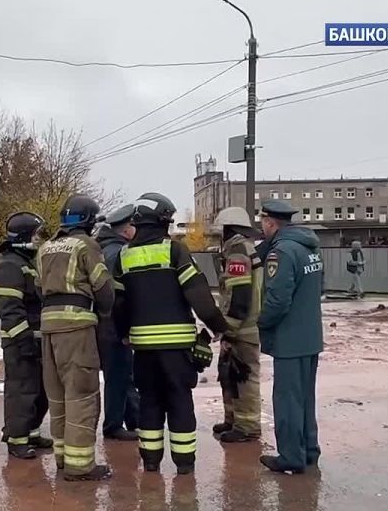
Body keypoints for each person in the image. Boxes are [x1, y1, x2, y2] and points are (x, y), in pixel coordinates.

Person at [113, 193, 229, 475]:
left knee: (150, 402)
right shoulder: (174, 251)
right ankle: (184, 466)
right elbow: (198, 295)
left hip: (142, 350)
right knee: (179, 403)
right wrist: (218, 327)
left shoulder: (123, 256)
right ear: (164, 221)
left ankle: (151, 463)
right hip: (177, 349)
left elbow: (118, 304)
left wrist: (123, 334)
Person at [37, 194, 115, 481]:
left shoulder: (44, 248)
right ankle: (80, 466)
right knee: (81, 395)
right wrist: (105, 313)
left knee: (57, 395)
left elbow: (37, 287)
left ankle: (62, 459)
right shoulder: (87, 246)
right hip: (77, 328)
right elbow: (103, 288)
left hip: (48, 328)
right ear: (90, 221)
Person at [256, 199, 324, 475]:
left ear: (271, 223)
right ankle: (309, 451)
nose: (261, 227)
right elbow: (320, 287)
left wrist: (261, 322)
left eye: (263, 222)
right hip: (310, 337)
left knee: (287, 400)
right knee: (306, 398)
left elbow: (278, 299)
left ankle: (291, 457)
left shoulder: (281, 252)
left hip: (289, 339)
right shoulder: (311, 248)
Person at [0, 212, 53, 459]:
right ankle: (17, 440)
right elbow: (10, 309)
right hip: (20, 342)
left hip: (35, 340)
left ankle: (32, 432)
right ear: (25, 237)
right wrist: (24, 340)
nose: (40, 240)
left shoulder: (26, 263)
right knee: (21, 391)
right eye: (37, 235)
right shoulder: (9, 265)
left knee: (40, 392)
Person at [211, 207, 263, 444]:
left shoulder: (238, 251)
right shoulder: (241, 248)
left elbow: (240, 294)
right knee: (229, 374)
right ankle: (233, 420)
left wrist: (228, 328)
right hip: (240, 326)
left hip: (242, 328)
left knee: (243, 376)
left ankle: (247, 426)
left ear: (228, 228)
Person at [95, 204, 140, 442]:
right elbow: (118, 294)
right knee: (118, 374)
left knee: (124, 373)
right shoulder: (118, 254)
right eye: (134, 225)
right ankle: (113, 425)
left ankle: (134, 418)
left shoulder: (106, 248)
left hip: (107, 322)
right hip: (113, 323)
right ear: (126, 229)